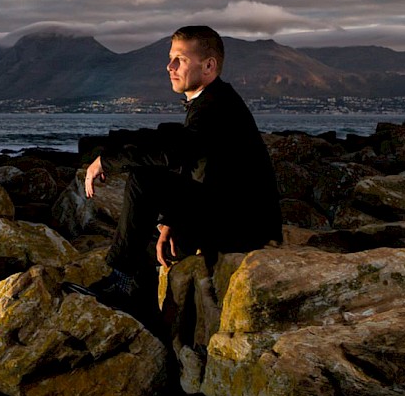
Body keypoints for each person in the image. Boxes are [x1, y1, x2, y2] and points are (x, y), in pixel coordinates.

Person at [78, 25, 282, 317]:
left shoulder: (215, 107)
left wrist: (107, 161)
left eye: (180, 60)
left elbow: (172, 153)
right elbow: (201, 168)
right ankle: (138, 301)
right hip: (235, 213)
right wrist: (172, 219)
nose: (169, 66)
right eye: (170, 58)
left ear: (209, 65)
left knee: (144, 178)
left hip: (244, 229)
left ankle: (122, 284)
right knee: (152, 227)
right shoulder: (215, 100)